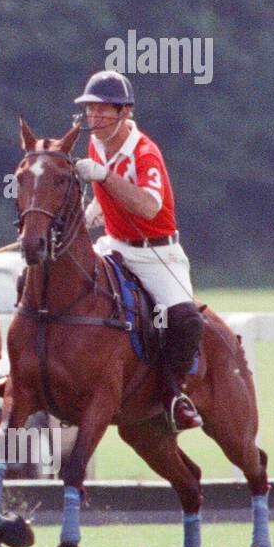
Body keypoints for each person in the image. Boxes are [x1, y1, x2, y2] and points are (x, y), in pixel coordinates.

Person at [74, 70, 204, 431]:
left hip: (156, 254)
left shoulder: (145, 152)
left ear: (125, 112)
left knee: (185, 320)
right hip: (115, 245)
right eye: (90, 110)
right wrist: (98, 207)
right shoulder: (96, 144)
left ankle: (175, 395)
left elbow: (148, 206)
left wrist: (104, 179)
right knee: (63, 277)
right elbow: (112, 190)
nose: (94, 119)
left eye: (103, 111)